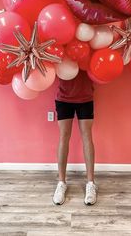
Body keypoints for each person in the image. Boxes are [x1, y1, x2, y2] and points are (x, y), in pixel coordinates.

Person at [52, 70, 97, 205]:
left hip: (86, 98)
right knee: (64, 137)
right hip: (63, 98)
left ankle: (91, 183)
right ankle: (61, 183)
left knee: (87, 136)